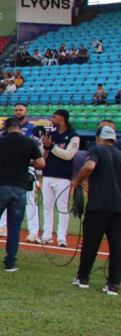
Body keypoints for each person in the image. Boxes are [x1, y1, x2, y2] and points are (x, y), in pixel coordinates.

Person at [0, 118, 45, 272]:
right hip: (19, 187)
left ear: (6, 129)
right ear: (19, 128)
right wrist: (27, 163)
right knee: (14, 227)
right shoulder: (29, 142)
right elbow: (41, 163)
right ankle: (10, 262)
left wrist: (0, 171)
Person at [70, 126, 121, 295]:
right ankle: (113, 284)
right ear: (114, 140)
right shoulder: (119, 154)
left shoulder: (96, 149)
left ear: (99, 138)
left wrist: (77, 181)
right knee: (117, 246)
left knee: (91, 243)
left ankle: (83, 278)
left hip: (99, 205)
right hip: (118, 207)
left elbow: (89, 166)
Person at [0, 104, 42, 241]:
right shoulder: (6, 129)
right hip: (8, 168)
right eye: (16, 110)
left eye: (20, 110)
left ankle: (34, 231)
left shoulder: (32, 129)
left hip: (26, 168)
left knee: (30, 201)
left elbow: (37, 152)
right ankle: (3, 227)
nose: (18, 112)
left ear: (26, 112)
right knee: (4, 198)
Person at [40, 109, 80, 247]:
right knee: (47, 206)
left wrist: (51, 146)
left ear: (62, 118)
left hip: (63, 176)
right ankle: (47, 234)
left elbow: (69, 155)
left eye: (54, 116)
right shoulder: (51, 134)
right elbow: (43, 156)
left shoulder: (73, 136)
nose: (52, 119)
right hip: (48, 174)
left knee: (62, 207)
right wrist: (45, 147)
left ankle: (62, 236)